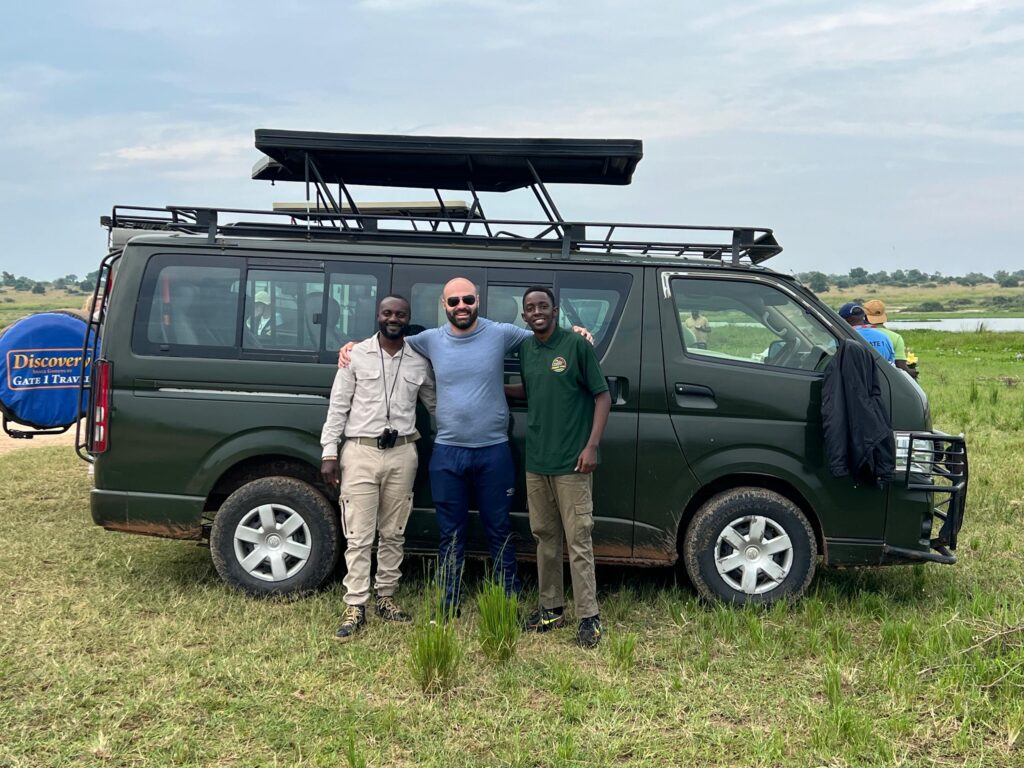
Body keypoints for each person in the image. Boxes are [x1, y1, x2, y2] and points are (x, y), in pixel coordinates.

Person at [338, 277, 592, 618]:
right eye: (454, 301)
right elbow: (389, 338)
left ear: (477, 302)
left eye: (468, 300)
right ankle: (449, 601)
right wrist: (352, 346)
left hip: (493, 450)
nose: (462, 307)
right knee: (450, 532)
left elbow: (544, 334)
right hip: (447, 452)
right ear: (444, 306)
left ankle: (508, 601)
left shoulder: (501, 333)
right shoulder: (427, 340)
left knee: (499, 529)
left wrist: (577, 332)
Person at [320, 295, 436, 641]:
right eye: (387, 313)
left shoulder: (418, 360)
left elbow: (435, 404)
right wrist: (329, 451)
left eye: (400, 314)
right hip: (360, 451)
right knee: (358, 534)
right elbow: (338, 407)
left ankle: (386, 596)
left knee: (394, 531)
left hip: (402, 453)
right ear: (378, 315)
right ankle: (356, 603)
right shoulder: (354, 355)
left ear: (408, 318)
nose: (393, 318)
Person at [506, 286, 611, 648]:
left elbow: (602, 395)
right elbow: (533, 390)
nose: (536, 312)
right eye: (530, 308)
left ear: (555, 311)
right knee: (545, 538)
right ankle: (551, 608)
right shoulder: (526, 350)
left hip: (572, 464)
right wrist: (496, 387)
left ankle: (589, 617)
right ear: (524, 316)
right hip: (537, 462)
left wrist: (592, 445)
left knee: (578, 539)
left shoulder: (576, 345)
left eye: (543, 306)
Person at [863, 299, 916, 378]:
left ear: (864, 316)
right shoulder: (896, 337)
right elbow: (901, 367)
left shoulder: (858, 334)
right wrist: (913, 372)